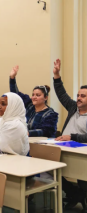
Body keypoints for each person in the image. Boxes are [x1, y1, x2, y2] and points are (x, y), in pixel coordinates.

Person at [52, 59, 87, 211]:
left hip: (81, 152)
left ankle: (80, 194)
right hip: (63, 147)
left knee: (82, 176)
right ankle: (74, 193)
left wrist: (72, 136)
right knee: (50, 166)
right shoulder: (73, 107)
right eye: (78, 95)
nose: (79, 98)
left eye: (83, 96)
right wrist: (56, 75)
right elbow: (61, 94)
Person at [9, 65, 59, 137]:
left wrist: (27, 133)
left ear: (46, 97)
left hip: (42, 144)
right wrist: (12, 78)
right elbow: (16, 95)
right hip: (25, 140)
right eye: (33, 95)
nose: (34, 97)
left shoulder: (51, 114)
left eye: (38, 95)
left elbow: (46, 131)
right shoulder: (29, 105)